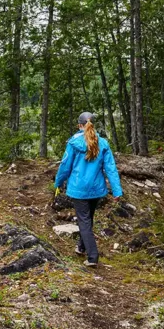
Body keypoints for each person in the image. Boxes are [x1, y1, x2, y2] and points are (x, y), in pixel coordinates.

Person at [54, 112, 123, 266]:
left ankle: (92, 257)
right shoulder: (103, 143)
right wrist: (117, 190)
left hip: (79, 189)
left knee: (84, 221)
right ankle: (81, 246)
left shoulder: (73, 142)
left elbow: (65, 166)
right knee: (88, 219)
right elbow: (110, 168)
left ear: (80, 125)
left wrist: (58, 182)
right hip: (96, 189)